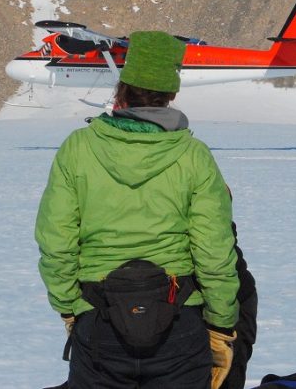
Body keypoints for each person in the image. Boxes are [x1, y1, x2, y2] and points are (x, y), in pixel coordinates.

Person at [35, 31, 242, 389]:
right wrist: (221, 326)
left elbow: (56, 241)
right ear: (171, 95)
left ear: (122, 89)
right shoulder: (194, 157)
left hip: (99, 324)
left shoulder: (78, 149)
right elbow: (214, 250)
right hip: (180, 326)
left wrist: (71, 308)